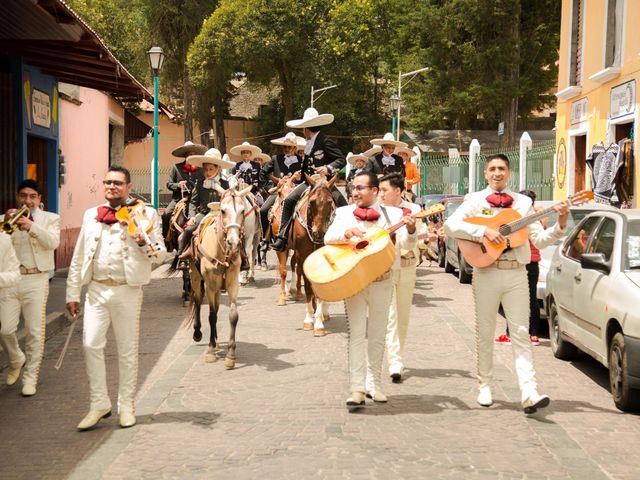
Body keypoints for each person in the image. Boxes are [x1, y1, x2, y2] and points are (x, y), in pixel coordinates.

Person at [444, 154, 568, 414]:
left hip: (517, 273)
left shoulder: (523, 203)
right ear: (486, 174)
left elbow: (539, 239)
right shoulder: (475, 200)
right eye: (492, 169)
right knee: (485, 330)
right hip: (486, 271)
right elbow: (451, 225)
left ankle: (529, 391)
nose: (497, 173)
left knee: (521, 332)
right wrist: (483, 231)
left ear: (509, 173)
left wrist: (561, 225)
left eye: (502, 168)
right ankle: (485, 385)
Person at [66, 165, 167, 430]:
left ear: (129, 187)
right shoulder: (91, 215)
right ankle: (99, 403)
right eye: (108, 182)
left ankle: (126, 406)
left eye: (118, 183)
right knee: (90, 345)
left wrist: (142, 241)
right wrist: (73, 292)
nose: (112, 186)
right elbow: (78, 256)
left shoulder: (147, 214)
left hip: (127, 289)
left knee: (126, 350)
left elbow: (162, 253)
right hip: (96, 290)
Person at [324, 171, 417, 409]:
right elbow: (328, 237)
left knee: (377, 335)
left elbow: (406, 244)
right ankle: (356, 388)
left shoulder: (394, 214)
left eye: (361, 188)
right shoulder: (345, 213)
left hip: (383, 279)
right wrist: (346, 233)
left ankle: (374, 384)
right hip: (354, 280)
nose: (355, 192)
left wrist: (412, 230)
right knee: (356, 335)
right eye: (353, 188)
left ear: (374, 191)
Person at [0, 179, 60, 396]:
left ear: (39, 199)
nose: (28, 200)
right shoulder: (4, 220)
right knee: (5, 329)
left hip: (36, 278)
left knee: (35, 330)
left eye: (32, 196)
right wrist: (5, 226)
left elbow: (53, 243)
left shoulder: (51, 219)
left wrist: (31, 226)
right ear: (18, 197)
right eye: (24, 196)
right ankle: (17, 358)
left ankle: (31, 377)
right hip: (10, 281)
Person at [272, 107, 348, 251]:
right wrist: (299, 175)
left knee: (344, 207)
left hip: (326, 184)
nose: (302, 131)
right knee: (288, 201)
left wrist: (328, 168)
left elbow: (341, 159)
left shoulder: (325, 141)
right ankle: (282, 236)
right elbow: (306, 166)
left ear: (307, 128)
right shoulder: (308, 143)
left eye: (303, 128)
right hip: (308, 183)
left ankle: (349, 238)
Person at [378, 173, 430, 383]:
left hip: (408, 265)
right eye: (379, 190)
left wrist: (420, 236)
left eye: (384, 190)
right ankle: (395, 362)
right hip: (385, 267)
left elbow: (422, 233)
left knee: (403, 315)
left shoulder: (414, 210)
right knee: (390, 316)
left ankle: (397, 357)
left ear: (398, 191)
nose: (380, 194)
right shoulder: (375, 210)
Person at [494, 189, 544, 345]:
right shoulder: (538, 218)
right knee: (532, 298)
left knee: (512, 298)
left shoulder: (517, 219)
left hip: (520, 262)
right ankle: (534, 335)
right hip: (534, 262)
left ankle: (510, 334)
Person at [177, 148, 234, 268]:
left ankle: (242, 258)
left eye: (211, 169)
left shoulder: (225, 184)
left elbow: (229, 201)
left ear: (218, 169)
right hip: (204, 215)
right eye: (205, 169)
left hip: (221, 215)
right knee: (188, 230)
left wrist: (221, 191)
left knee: (235, 231)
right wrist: (192, 217)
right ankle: (182, 256)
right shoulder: (200, 183)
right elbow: (193, 202)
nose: (207, 172)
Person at [259, 132, 304, 239]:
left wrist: (298, 180)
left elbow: (306, 176)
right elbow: (262, 174)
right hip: (278, 192)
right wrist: (271, 187)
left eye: (289, 147)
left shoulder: (302, 160)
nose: (287, 149)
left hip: (295, 192)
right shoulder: (276, 158)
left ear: (295, 147)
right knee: (263, 210)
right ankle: (265, 238)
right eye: (285, 146)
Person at [162, 141, 207, 240]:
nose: (191, 156)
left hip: (196, 200)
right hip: (179, 199)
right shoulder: (176, 167)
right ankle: (165, 239)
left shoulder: (201, 170)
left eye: (193, 154)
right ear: (185, 155)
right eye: (189, 154)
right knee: (166, 214)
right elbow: (169, 184)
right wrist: (178, 185)